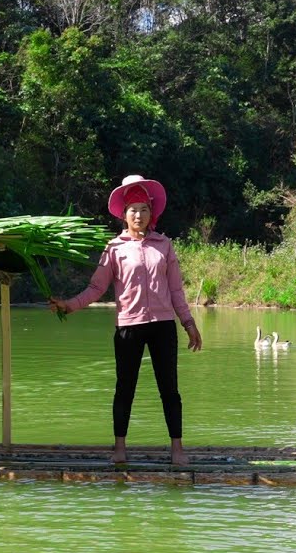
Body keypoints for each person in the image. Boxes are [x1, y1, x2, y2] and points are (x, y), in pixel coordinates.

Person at [49, 174, 203, 467]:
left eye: (144, 209)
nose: (139, 215)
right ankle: (119, 448)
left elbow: (175, 290)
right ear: (124, 214)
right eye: (133, 209)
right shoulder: (114, 248)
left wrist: (189, 324)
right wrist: (69, 305)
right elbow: (96, 288)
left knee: (169, 388)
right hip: (128, 327)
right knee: (125, 388)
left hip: (162, 325)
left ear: (151, 212)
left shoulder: (164, 245)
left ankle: (177, 448)